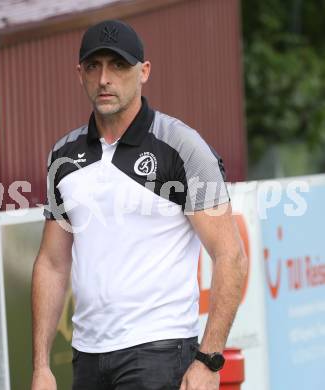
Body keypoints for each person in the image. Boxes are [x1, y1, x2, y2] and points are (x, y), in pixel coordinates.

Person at [31, 19, 248, 390]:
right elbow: (53, 263)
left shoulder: (182, 146)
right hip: (87, 356)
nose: (104, 79)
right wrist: (41, 366)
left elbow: (231, 256)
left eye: (118, 65)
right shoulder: (62, 155)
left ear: (143, 71)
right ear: (79, 72)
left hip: (160, 353)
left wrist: (210, 361)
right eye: (93, 66)